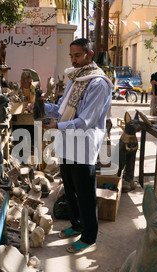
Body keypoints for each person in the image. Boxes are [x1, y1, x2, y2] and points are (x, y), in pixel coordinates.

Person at [28, 38, 113, 254]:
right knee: (70, 189)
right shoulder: (76, 80)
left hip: (84, 146)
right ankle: (76, 224)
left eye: (78, 56)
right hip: (67, 143)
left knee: (85, 193)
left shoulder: (98, 84)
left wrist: (57, 125)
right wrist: (39, 106)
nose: (73, 60)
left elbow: (86, 120)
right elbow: (60, 108)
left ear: (89, 55)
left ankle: (89, 236)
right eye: (71, 56)